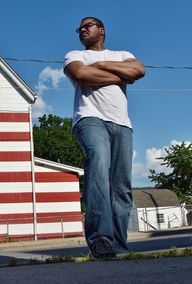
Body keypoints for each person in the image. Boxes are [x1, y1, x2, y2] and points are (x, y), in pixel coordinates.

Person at [64, 17, 145, 259]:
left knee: (121, 185)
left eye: (87, 25)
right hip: (89, 119)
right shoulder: (74, 55)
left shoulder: (122, 53)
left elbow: (139, 70)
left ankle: (118, 245)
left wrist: (100, 66)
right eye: (79, 28)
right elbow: (81, 75)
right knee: (98, 162)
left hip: (122, 124)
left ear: (101, 30)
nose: (82, 30)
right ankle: (100, 239)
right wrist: (122, 77)